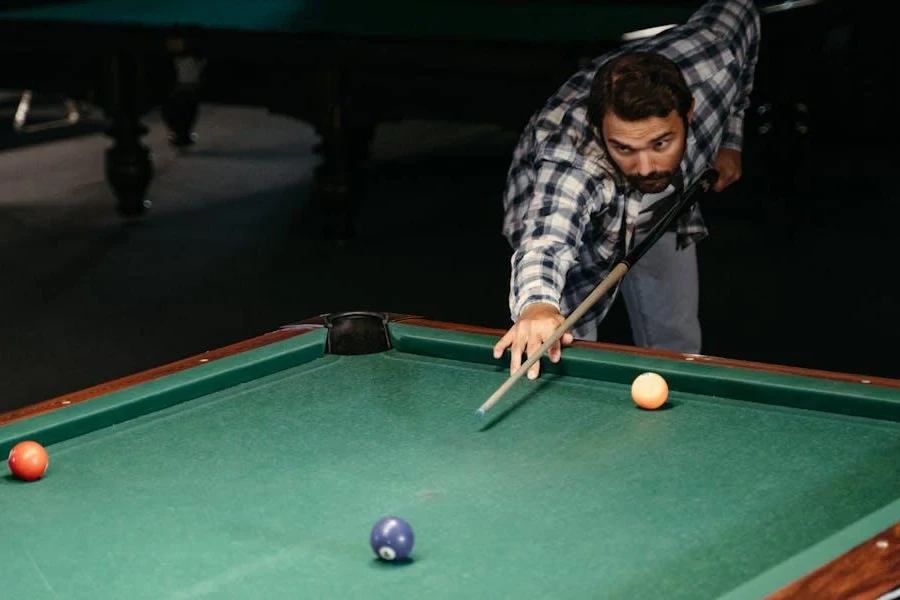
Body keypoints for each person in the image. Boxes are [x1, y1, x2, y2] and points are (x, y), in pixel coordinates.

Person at [493, 0, 761, 379]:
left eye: (661, 143)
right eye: (625, 148)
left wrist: (731, 138)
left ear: (689, 113)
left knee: (677, 334)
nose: (647, 167)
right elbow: (547, 242)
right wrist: (536, 305)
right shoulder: (574, 160)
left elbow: (742, 10)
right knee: (562, 342)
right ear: (601, 130)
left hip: (664, 203)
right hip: (571, 218)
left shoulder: (715, 56)